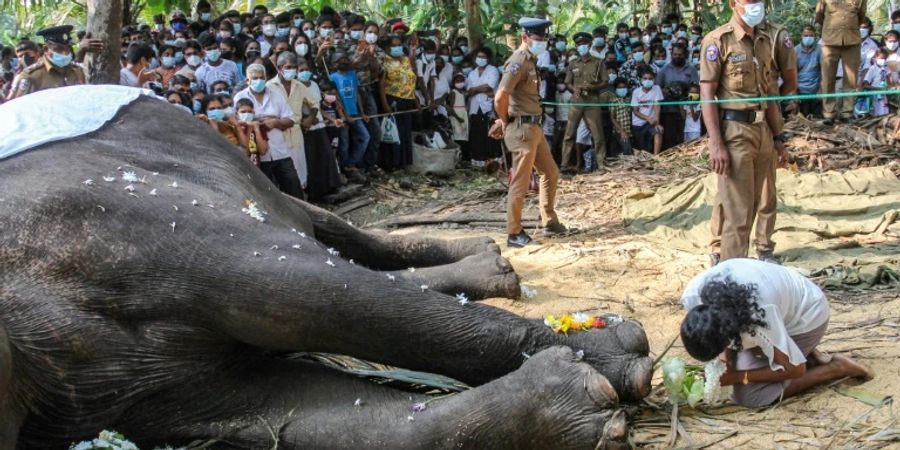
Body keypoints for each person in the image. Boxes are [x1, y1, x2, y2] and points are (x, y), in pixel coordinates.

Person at [679, 259, 874, 408]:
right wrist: (726, 363)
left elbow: (795, 371)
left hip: (807, 316)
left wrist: (737, 377)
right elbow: (720, 336)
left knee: (750, 395)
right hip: (777, 311)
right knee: (739, 366)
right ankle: (802, 352)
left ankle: (836, 367)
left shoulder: (758, 316)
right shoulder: (692, 296)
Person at [700, 0, 788, 266]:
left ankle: (754, 263)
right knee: (738, 212)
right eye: (750, 1)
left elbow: (770, 94)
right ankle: (732, 273)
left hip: (763, 130)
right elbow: (707, 94)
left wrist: (778, 139)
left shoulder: (765, 40)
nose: (756, 6)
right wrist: (716, 144)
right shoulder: (718, 41)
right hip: (735, 131)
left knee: (759, 201)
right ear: (734, 4)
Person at [493, 17, 567, 248]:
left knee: (550, 173)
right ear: (525, 38)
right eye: (538, 39)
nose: (542, 42)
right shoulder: (518, 61)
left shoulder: (531, 60)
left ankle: (549, 221)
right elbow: (501, 96)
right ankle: (514, 232)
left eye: (544, 39)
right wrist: (505, 121)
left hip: (534, 127)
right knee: (521, 183)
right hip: (522, 129)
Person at [234, 63, 303, 198]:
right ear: (247, 80)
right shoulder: (240, 97)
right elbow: (240, 122)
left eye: (261, 77)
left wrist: (276, 122)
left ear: (265, 78)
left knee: (292, 185)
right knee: (268, 193)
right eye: (254, 78)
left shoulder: (276, 95)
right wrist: (261, 122)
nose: (258, 81)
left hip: (280, 150)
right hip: (257, 154)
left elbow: (290, 119)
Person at [560, 32, 607, 173]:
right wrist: (574, 89)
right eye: (579, 44)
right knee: (569, 134)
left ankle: (601, 164)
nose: (582, 46)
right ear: (576, 46)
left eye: (585, 43)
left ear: (590, 44)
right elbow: (567, 82)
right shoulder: (573, 63)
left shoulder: (598, 62)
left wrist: (593, 87)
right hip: (576, 102)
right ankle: (564, 165)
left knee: (597, 134)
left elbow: (605, 81)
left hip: (592, 101)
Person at [816, 0, 867, 125]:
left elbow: (861, 16)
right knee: (828, 79)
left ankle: (847, 113)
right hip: (830, 41)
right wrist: (833, 28)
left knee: (851, 79)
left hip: (852, 41)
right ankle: (829, 113)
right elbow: (819, 16)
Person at [268, 51, 310, 190]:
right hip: (278, 134)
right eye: (288, 67)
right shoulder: (269, 87)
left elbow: (314, 104)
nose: (291, 70)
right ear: (279, 68)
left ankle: (303, 197)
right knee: (285, 171)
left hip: (296, 133)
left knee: (300, 167)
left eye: (294, 67)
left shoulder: (299, 85)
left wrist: (309, 118)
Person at [8, 25, 86, 99]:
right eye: (58, 49)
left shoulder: (77, 71)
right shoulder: (31, 76)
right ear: (45, 49)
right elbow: (19, 108)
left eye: (67, 48)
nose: (65, 53)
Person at [379, 34, 418, 171]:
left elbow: (412, 79)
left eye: (399, 45)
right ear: (388, 48)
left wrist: (416, 100)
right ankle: (392, 163)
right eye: (393, 45)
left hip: (408, 100)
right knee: (394, 132)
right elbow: (382, 85)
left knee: (405, 132)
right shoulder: (385, 61)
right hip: (393, 100)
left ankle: (403, 162)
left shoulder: (406, 60)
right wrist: (385, 105)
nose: (397, 48)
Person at [330, 51, 370, 178]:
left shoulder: (353, 74)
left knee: (365, 137)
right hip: (342, 116)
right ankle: (344, 168)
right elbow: (336, 99)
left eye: (344, 59)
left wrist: (362, 113)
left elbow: (357, 94)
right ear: (334, 63)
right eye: (339, 60)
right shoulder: (333, 77)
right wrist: (346, 116)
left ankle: (351, 163)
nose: (343, 61)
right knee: (344, 143)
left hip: (355, 113)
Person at [657, 43, 699, 150]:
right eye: (675, 54)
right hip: (668, 110)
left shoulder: (691, 69)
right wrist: (667, 90)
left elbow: (696, 88)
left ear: (685, 54)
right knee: (669, 138)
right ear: (671, 54)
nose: (677, 57)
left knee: (684, 138)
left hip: (687, 110)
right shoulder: (664, 70)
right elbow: (657, 88)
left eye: (680, 55)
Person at [466, 47, 502, 167]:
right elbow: (469, 91)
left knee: (491, 133)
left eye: (483, 57)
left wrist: (476, 89)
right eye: (479, 57)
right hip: (475, 106)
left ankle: (493, 160)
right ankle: (478, 160)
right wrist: (480, 89)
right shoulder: (472, 73)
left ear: (488, 59)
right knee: (477, 133)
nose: (481, 59)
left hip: (489, 106)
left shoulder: (493, 70)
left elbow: (489, 87)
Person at [630, 68, 664, 154]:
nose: (648, 80)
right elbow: (635, 111)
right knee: (641, 148)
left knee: (658, 131)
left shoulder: (657, 88)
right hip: (638, 123)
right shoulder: (636, 92)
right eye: (645, 78)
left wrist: (657, 123)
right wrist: (648, 118)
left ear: (654, 79)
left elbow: (657, 106)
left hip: (651, 122)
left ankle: (656, 157)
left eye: (650, 78)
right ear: (641, 80)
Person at [795, 26, 823, 117]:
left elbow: (823, 70)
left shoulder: (820, 50)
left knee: (817, 117)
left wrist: (821, 88)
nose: (808, 38)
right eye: (806, 35)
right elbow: (793, 72)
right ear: (801, 36)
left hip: (816, 90)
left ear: (815, 36)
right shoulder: (795, 51)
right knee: (804, 117)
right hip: (801, 90)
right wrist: (795, 91)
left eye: (811, 35)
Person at [862, 49, 898, 117]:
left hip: (884, 95)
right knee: (877, 112)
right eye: (881, 58)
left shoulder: (886, 68)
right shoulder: (872, 68)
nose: (883, 60)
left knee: (885, 111)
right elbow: (865, 85)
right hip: (875, 95)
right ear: (876, 57)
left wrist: (891, 87)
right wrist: (877, 89)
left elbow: (890, 82)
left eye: (885, 58)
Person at [235, 97, 269, 165]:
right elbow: (245, 152)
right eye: (243, 112)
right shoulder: (235, 128)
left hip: (256, 168)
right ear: (237, 114)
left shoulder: (259, 127)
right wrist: (250, 129)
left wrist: (256, 129)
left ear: (253, 113)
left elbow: (263, 151)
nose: (247, 114)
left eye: (249, 112)